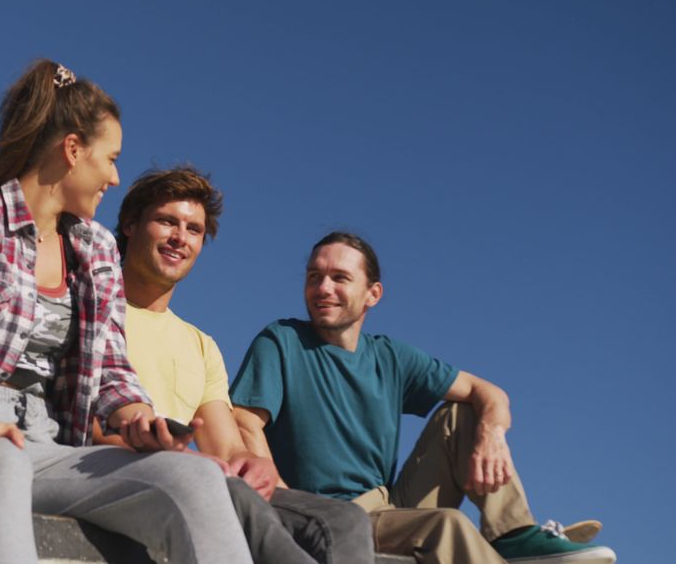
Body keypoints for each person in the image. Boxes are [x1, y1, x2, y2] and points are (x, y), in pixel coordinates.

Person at [0, 60, 253, 564]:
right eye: (110, 158)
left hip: (47, 442)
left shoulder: (94, 249)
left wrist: (139, 420)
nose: (115, 177)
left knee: (194, 477)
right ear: (72, 151)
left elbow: (112, 370)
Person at [229, 231, 618, 564]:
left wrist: (491, 436)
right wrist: (285, 503)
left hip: (392, 503)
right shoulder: (281, 341)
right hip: (334, 512)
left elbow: (490, 393)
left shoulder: (390, 356)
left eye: (339, 277)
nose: (323, 288)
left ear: (372, 294)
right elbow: (244, 422)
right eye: (314, 276)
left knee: (464, 412)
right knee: (447, 525)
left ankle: (513, 534)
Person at [100, 167, 374, 564]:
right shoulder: (96, 309)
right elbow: (80, 427)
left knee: (343, 519)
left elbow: (226, 446)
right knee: (229, 495)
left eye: (194, 230)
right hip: (123, 472)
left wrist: (256, 462)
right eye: (166, 222)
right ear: (129, 224)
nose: (180, 238)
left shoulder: (200, 345)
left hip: (203, 478)